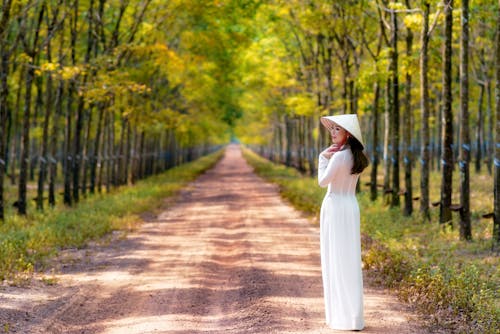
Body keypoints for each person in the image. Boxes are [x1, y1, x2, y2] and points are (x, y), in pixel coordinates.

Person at [317, 114, 369, 331]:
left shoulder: (337, 157)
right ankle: (354, 317)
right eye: (332, 129)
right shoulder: (357, 158)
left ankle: (341, 317)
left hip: (335, 206)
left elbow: (322, 182)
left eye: (337, 129)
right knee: (349, 258)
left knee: (335, 258)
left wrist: (322, 157)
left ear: (348, 134)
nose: (333, 132)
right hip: (351, 206)